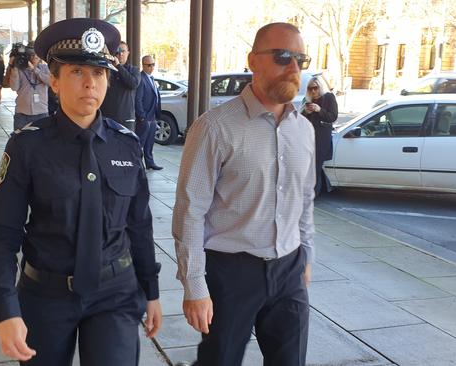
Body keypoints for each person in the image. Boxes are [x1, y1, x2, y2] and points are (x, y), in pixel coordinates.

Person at [0, 18, 162, 366]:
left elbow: (139, 224)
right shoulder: (27, 146)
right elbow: (2, 232)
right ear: (54, 80)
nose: (89, 83)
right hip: (46, 295)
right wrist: (6, 309)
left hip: (115, 292)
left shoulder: (126, 145)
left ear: (108, 81)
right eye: (77, 72)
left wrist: (151, 291)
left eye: (98, 73)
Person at [172, 23, 315, 366]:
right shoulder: (214, 127)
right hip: (230, 273)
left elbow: (305, 199)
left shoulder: (304, 129)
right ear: (253, 60)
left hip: (289, 268)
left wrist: (306, 255)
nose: (293, 68)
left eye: (301, 59)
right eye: (283, 56)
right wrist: (194, 286)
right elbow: (190, 211)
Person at [302, 77, 338, 196]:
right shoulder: (307, 100)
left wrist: (319, 110)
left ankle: (313, 193)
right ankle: (308, 191)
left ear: (320, 87)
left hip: (321, 139)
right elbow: (300, 119)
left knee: (316, 166)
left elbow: (333, 117)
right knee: (307, 166)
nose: (313, 91)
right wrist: (306, 113)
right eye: (310, 88)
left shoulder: (328, 97)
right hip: (308, 139)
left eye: (315, 88)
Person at [101, 41, 141, 131]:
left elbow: (133, 84)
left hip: (126, 119)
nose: (120, 54)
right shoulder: (107, 69)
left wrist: (118, 66)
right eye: (117, 51)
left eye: (123, 51)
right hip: (106, 118)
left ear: (128, 53)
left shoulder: (134, 70)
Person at [9, 45, 50, 130]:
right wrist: (14, 69)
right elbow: (14, 87)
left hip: (41, 113)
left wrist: (34, 69)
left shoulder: (45, 68)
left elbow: (49, 82)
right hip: (22, 114)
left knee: (42, 141)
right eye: (31, 55)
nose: (35, 57)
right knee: (19, 141)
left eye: (37, 55)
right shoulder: (20, 69)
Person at [134, 55, 163, 170]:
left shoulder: (152, 78)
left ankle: (150, 162)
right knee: (140, 142)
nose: (151, 67)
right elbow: (138, 99)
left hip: (153, 116)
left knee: (150, 142)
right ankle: (136, 163)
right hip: (145, 117)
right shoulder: (141, 78)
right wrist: (142, 117)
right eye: (149, 65)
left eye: (153, 65)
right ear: (143, 65)